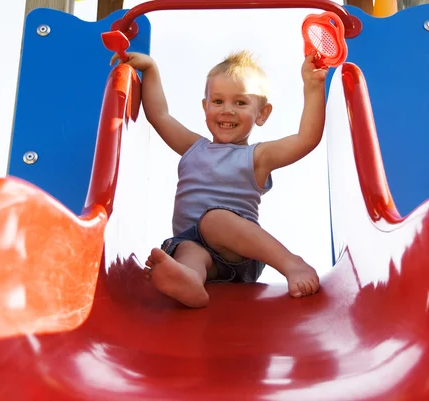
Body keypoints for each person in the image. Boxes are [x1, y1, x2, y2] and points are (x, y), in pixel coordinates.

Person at [110, 49, 327, 308]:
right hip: (202, 254)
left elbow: (306, 139)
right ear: (205, 107)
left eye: (240, 103)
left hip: (239, 253)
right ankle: (190, 280)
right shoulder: (193, 148)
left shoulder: (256, 157)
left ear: (262, 114)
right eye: (218, 102)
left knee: (214, 221)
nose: (227, 110)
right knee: (187, 249)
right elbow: (160, 116)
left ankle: (291, 263)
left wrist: (313, 86)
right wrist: (151, 69)